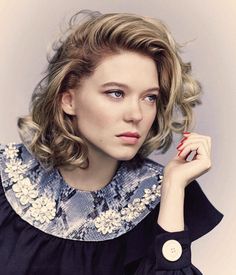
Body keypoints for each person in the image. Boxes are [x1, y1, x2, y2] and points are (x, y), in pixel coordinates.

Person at [0, 9, 223, 275]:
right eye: (116, 93)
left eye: (149, 97)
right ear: (68, 99)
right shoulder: (6, 175)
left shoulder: (157, 196)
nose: (136, 115)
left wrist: (173, 188)